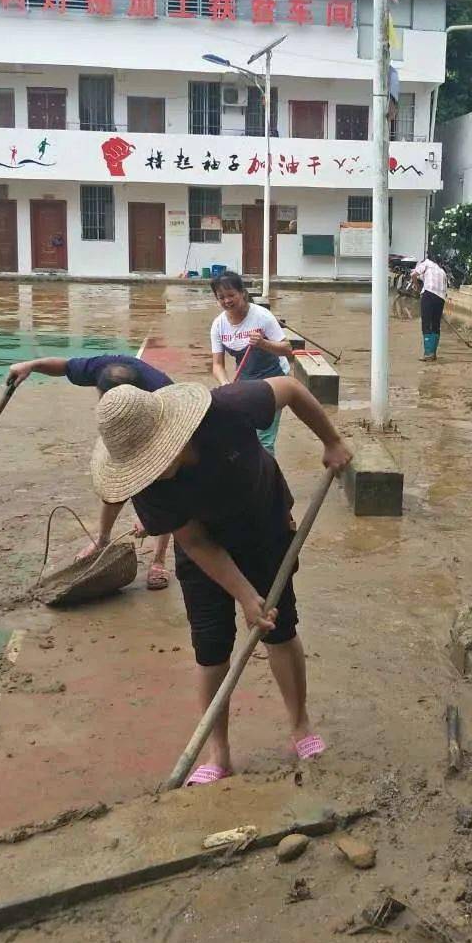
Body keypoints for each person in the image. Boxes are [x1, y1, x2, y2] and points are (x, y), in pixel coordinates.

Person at [91, 375, 352, 784]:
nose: (153, 471)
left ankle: (300, 726)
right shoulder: (147, 488)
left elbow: (293, 389)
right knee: (210, 648)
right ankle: (220, 752)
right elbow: (194, 541)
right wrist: (246, 597)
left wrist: (331, 441)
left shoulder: (227, 407)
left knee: (279, 630)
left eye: (156, 459)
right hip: (206, 549)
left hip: (264, 525)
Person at [6, 353, 175, 590]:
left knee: (166, 486)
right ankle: (102, 539)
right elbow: (64, 366)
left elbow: (169, 474)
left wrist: (152, 519)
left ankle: (158, 559)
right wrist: (30, 365)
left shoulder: (163, 398)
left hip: (162, 434)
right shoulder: (104, 367)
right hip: (124, 429)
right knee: (116, 478)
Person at [209, 272, 294, 456]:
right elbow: (217, 365)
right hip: (246, 380)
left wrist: (264, 343)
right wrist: (226, 385)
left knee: (265, 440)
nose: (227, 301)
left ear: (243, 293)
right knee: (243, 432)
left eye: (231, 295)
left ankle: (268, 481)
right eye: (221, 297)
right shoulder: (218, 325)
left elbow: (287, 349)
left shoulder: (262, 316)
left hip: (274, 378)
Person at [411, 254, 448, 361]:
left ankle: (428, 353)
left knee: (426, 323)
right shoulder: (442, 271)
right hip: (441, 298)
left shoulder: (426, 263)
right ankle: (433, 353)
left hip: (429, 294)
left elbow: (414, 274)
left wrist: (416, 286)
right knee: (436, 324)